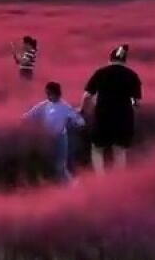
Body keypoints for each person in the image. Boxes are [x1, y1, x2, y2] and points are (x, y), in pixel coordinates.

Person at [82, 44, 142, 173]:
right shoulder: (132, 75)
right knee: (119, 151)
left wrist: (83, 110)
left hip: (103, 117)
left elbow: (87, 96)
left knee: (97, 149)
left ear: (110, 58)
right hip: (124, 118)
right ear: (125, 60)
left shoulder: (101, 73)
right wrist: (130, 104)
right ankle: (118, 180)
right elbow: (135, 101)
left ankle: (100, 179)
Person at [23, 81, 86, 182]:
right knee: (48, 164)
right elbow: (30, 115)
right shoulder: (43, 105)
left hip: (60, 139)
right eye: (47, 93)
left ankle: (70, 185)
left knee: (60, 166)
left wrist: (79, 122)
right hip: (46, 139)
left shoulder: (65, 106)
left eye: (50, 93)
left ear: (57, 93)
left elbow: (78, 120)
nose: (48, 96)